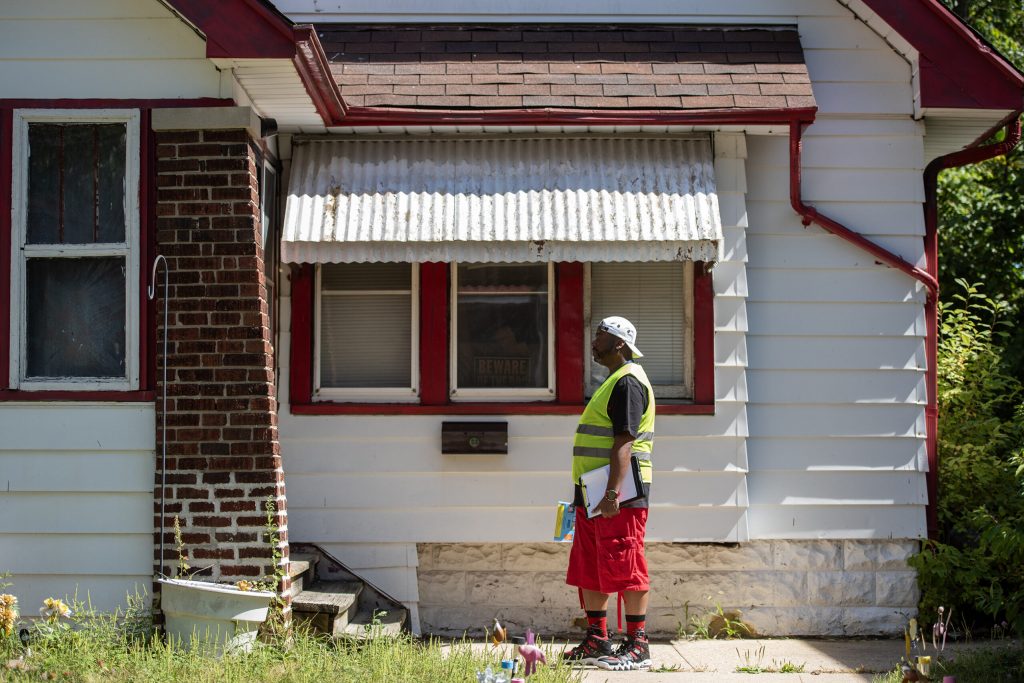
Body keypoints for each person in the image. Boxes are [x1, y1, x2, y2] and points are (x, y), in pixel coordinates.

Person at [563, 316, 655, 672]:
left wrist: (613, 494)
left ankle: (638, 645)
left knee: (626, 563)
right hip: (594, 491)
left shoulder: (629, 382)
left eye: (600, 335)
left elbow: (624, 441)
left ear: (619, 343)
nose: (594, 340)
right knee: (589, 565)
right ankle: (597, 639)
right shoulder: (613, 380)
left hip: (620, 494)